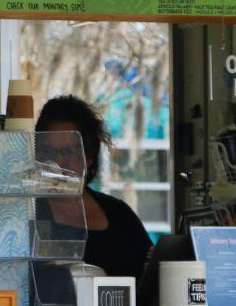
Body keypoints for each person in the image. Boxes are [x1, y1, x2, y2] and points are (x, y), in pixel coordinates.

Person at [35, 95, 153, 282]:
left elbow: (150, 276)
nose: (57, 162)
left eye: (68, 151)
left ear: (89, 156)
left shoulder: (118, 213)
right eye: (48, 152)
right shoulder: (28, 211)